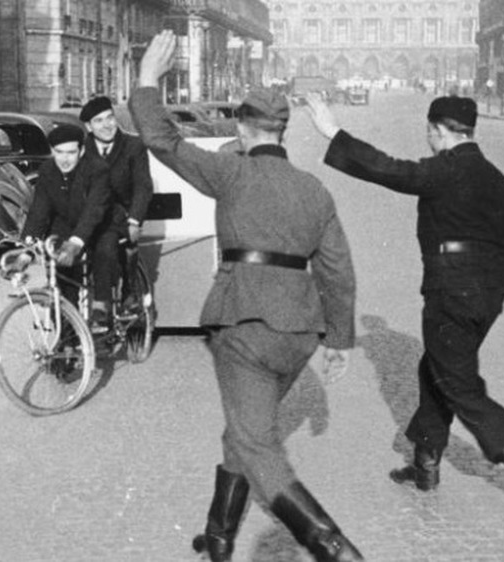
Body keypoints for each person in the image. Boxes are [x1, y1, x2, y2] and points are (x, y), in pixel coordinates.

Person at [130, 31, 363, 562]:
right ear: (282, 131)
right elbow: (338, 271)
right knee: (244, 430)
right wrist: (340, 341)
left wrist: (148, 79)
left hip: (242, 324)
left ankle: (332, 546)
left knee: (256, 443)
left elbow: (162, 139)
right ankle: (217, 536)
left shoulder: (230, 170)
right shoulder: (314, 189)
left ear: (241, 126)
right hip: (299, 333)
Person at [304, 92, 504, 531]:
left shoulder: (444, 170)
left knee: (460, 385)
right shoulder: (498, 180)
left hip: (449, 294)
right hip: (485, 297)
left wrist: (332, 131)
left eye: (429, 132)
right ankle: (426, 462)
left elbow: (387, 169)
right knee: (436, 370)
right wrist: (490, 299)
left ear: (438, 131)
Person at [16, 124, 113, 328]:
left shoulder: (97, 169)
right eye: (59, 152)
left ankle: (101, 305)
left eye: (71, 152)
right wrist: (27, 249)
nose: (65, 159)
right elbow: (39, 211)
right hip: (65, 225)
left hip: (98, 225)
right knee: (61, 282)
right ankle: (67, 339)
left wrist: (76, 242)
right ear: (52, 152)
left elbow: (94, 209)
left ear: (82, 151)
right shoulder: (47, 170)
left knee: (104, 250)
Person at [78, 95, 154, 320]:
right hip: (90, 216)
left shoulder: (134, 146)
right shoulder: (82, 150)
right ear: (88, 126)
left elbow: (143, 187)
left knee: (106, 247)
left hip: (122, 216)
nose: (107, 125)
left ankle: (121, 296)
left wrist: (135, 220)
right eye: (99, 121)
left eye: (110, 118)